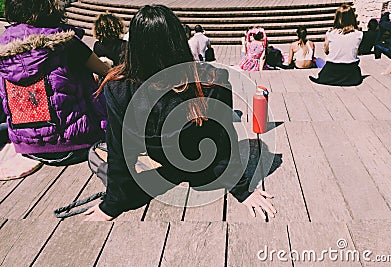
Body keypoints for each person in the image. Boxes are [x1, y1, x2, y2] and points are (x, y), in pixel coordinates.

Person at [83, 5, 277, 221]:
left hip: (160, 163)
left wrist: (110, 205)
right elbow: (224, 141)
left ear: (134, 46)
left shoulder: (117, 87)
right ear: (178, 40)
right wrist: (243, 191)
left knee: (97, 151)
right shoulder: (211, 80)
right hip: (203, 169)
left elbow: (120, 149)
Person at [0, 0, 110, 165]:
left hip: (27, 148)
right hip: (76, 145)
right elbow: (106, 71)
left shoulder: (4, 50)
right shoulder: (65, 43)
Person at [309, 4, 363, 86]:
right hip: (350, 72)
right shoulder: (359, 34)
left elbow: (326, 51)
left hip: (331, 70)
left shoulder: (330, 33)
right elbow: (355, 52)